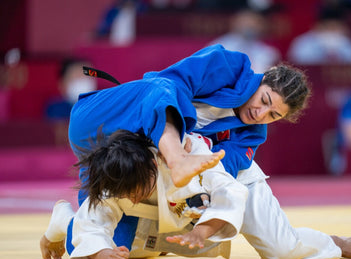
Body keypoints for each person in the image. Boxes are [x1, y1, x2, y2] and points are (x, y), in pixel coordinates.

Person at [40, 130, 351, 259]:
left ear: (152, 164)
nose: (133, 196)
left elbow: (230, 194)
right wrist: (102, 256)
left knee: (281, 251)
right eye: (128, 193)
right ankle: (62, 221)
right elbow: (93, 221)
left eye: (139, 187)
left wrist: (202, 231)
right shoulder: (117, 178)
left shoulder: (187, 151)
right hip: (173, 222)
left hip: (236, 180)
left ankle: (334, 243)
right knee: (125, 248)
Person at [69, 44, 309, 200]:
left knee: (116, 243)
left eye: (273, 115)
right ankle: (177, 159)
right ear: (263, 79)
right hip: (103, 117)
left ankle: (62, 223)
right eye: (264, 100)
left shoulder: (252, 135)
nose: (261, 114)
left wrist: (196, 148)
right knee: (163, 88)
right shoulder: (229, 65)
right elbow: (173, 82)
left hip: (114, 154)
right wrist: (181, 146)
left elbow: (221, 166)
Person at [44, 58, 96, 145]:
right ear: (62, 83)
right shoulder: (55, 108)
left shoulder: (101, 105)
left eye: (87, 75)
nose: (83, 80)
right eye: (77, 76)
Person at [209, 9, 281, 72]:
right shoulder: (219, 46)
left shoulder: (268, 52)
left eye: (253, 23)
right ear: (234, 23)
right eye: (245, 22)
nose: (249, 26)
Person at [287, 6, 351, 65]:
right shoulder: (303, 43)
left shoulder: (347, 43)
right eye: (329, 27)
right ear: (317, 26)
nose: (332, 31)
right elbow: (300, 66)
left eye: (336, 27)